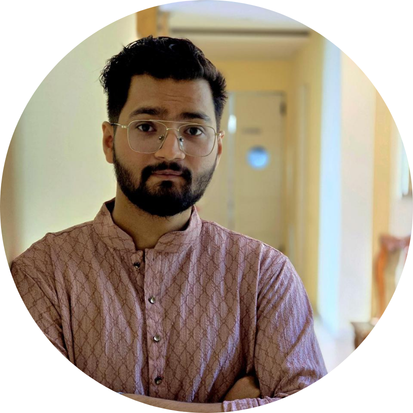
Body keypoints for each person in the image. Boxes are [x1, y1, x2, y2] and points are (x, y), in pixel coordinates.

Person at [11, 36, 327, 412]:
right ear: (109, 141)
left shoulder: (264, 275)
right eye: (147, 127)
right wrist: (228, 407)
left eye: (193, 130)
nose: (170, 151)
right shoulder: (43, 275)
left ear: (217, 148)